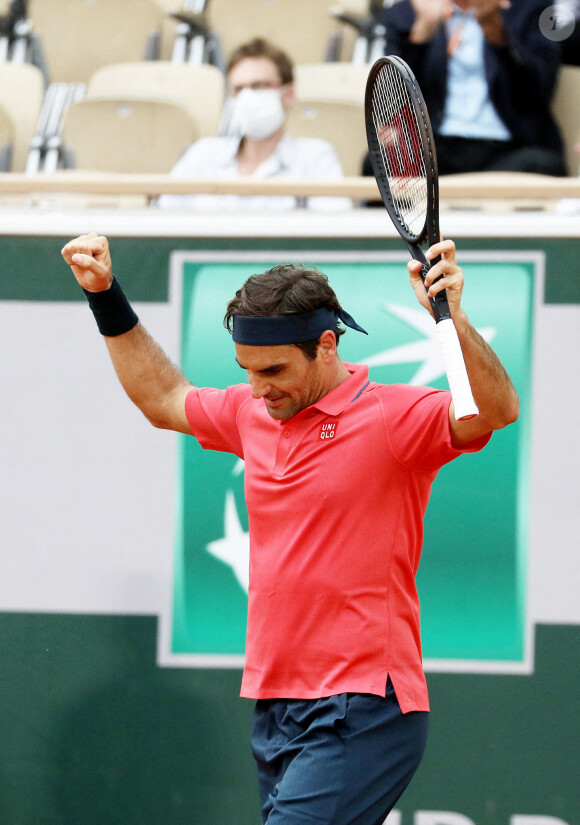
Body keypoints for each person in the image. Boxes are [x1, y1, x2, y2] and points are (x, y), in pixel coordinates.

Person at [61, 231, 519, 825]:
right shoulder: (252, 413)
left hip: (363, 705)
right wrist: (104, 294)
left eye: (273, 369)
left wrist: (451, 320)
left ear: (327, 346)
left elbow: (497, 410)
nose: (259, 388)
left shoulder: (394, 416)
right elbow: (163, 397)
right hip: (277, 704)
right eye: (246, 371)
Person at [369, 0, 568, 176]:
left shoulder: (531, 7)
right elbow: (391, 98)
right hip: (434, 148)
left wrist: (497, 35)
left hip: (507, 147)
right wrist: (423, 29)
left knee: (544, 166)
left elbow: (540, 91)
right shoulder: (406, 12)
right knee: (376, 164)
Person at [157, 38, 351, 212]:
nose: (247, 97)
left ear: (289, 93)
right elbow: (161, 221)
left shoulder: (315, 158)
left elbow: (336, 230)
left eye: (259, 86)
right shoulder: (202, 155)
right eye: (239, 89)